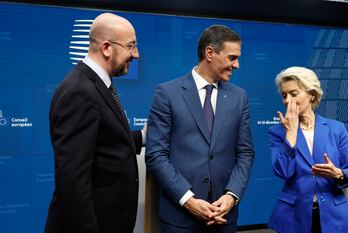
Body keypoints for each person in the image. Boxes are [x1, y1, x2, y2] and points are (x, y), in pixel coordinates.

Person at [145, 25, 255, 233]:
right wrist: (188, 200)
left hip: (223, 218)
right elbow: (156, 155)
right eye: (232, 57)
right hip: (180, 219)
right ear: (210, 53)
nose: (237, 65)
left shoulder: (239, 97)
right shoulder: (167, 93)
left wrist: (231, 196)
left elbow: (246, 153)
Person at [44, 13, 146, 233]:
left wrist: (142, 137)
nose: (136, 55)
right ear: (107, 48)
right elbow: (72, 183)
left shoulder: (95, 83)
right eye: (131, 46)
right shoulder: (80, 91)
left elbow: (103, 140)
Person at [267, 66, 348, 233]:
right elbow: (283, 172)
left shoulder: (336, 128)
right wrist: (291, 133)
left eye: (293, 94)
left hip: (333, 216)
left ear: (312, 94)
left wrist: (338, 173)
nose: (287, 100)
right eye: (284, 95)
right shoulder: (278, 131)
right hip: (293, 217)